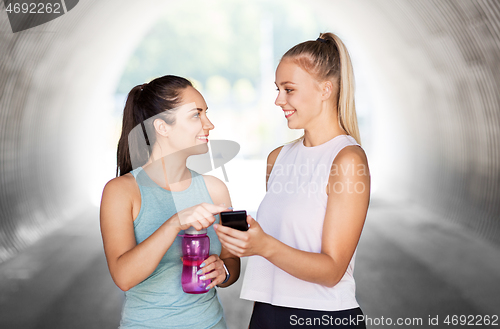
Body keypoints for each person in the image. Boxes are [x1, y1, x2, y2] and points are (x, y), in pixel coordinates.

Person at [214, 32, 370, 328]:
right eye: (277, 89)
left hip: (322, 317)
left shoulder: (347, 160)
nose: (278, 100)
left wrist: (263, 245)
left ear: (325, 89)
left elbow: (332, 270)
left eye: (289, 90)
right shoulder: (278, 158)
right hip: (266, 313)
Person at [100, 75, 239, 329]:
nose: (209, 124)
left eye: (206, 113)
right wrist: (175, 223)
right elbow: (124, 277)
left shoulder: (216, 190)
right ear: (162, 127)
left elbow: (232, 260)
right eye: (196, 115)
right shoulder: (121, 192)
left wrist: (225, 272)